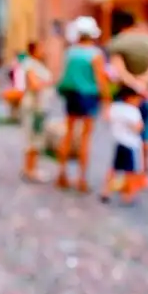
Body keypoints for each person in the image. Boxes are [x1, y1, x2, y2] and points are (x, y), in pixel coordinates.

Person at [107, 14, 148, 174]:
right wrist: (144, 82)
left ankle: (125, 169)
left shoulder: (120, 43)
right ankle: (144, 166)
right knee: (146, 131)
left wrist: (133, 83)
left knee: (124, 132)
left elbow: (117, 67)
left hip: (127, 96)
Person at [56, 17, 110, 191]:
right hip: (88, 96)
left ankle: (62, 174)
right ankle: (81, 179)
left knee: (68, 134)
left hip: (72, 95)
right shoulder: (95, 54)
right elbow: (101, 79)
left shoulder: (70, 52)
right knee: (85, 138)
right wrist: (107, 99)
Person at [100, 86, 144, 205]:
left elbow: (106, 117)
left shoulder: (115, 108)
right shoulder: (133, 111)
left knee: (113, 168)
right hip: (130, 145)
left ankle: (106, 191)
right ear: (130, 98)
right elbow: (138, 128)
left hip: (118, 142)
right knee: (130, 171)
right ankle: (128, 195)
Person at [21, 42, 53, 181]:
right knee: (33, 138)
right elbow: (34, 84)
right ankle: (30, 170)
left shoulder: (36, 63)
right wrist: (48, 83)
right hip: (34, 107)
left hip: (39, 107)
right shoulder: (30, 64)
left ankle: (31, 168)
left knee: (36, 138)